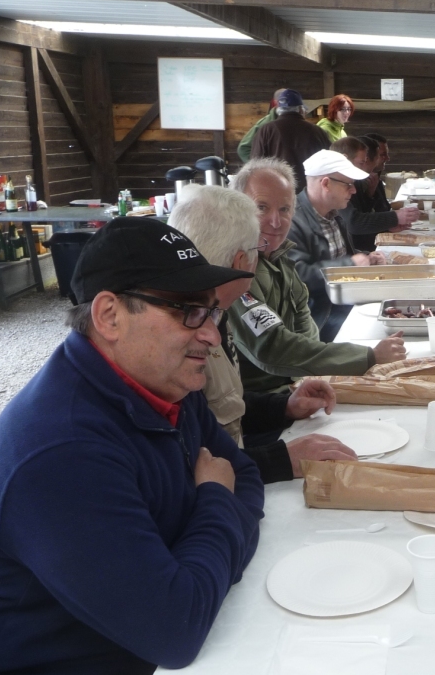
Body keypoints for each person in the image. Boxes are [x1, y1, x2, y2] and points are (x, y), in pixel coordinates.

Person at [0, 218, 264, 675]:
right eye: (188, 311)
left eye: (211, 312)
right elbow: (176, 630)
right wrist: (217, 503)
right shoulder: (61, 454)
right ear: (110, 316)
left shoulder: (168, 383)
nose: (212, 336)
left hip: (144, 660)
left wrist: (199, 562)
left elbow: (245, 475)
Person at [168, 186, 359, 483]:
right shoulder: (191, 330)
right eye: (258, 248)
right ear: (242, 262)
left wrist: (284, 407)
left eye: (285, 209)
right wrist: (279, 459)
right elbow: (188, 466)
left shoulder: (212, 312)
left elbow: (221, 407)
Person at [228, 158, 405, 394]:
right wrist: (367, 356)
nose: (276, 221)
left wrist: (310, 377)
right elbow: (271, 346)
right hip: (259, 401)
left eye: (284, 209)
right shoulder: (236, 267)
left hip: (292, 387)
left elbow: (304, 324)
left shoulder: (280, 256)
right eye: (261, 208)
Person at [288, 149, 388, 341]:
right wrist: (350, 265)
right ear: (325, 183)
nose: (354, 190)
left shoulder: (333, 213)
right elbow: (298, 277)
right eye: (348, 184)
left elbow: (336, 256)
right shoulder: (292, 221)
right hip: (319, 315)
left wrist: (366, 257)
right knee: (380, 330)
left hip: (343, 300)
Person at [340, 133, 420, 252]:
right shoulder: (342, 182)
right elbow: (354, 223)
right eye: (381, 155)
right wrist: (395, 217)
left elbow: (376, 212)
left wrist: (387, 227)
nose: (386, 159)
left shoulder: (362, 180)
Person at [250, 88, 330, 192]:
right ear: (301, 110)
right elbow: (329, 163)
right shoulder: (318, 132)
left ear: (279, 110)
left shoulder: (266, 130)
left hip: (277, 192)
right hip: (311, 193)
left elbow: (255, 164)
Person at [237, 87, 284, 163]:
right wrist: (259, 165)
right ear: (275, 103)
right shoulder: (264, 124)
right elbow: (244, 148)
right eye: (284, 101)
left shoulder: (296, 123)